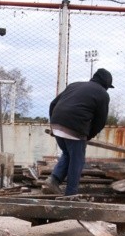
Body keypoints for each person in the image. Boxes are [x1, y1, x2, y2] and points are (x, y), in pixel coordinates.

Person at [45, 68, 113, 196]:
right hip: (75, 128)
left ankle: (54, 180)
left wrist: (54, 124)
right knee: (77, 160)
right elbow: (100, 121)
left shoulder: (74, 85)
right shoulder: (103, 94)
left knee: (67, 153)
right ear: (106, 84)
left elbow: (53, 104)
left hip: (56, 123)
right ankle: (71, 194)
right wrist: (87, 136)